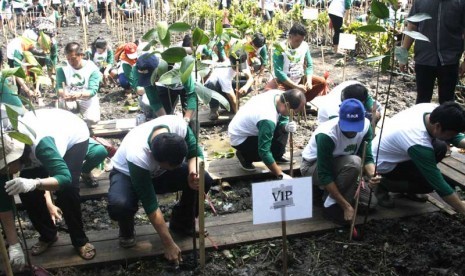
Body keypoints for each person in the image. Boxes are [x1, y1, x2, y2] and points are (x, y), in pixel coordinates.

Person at [107, 115, 214, 263]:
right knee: (120, 204)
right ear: (155, 159)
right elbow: (150, 203)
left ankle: (182, 223)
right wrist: (168, 243)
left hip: (159, 173)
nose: (177, 169)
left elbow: (195, 154)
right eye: (173, 166)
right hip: (127, 174)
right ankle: (126, 230)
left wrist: (192, 172)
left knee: (204, 179)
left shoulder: (178, 125)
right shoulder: (138, 153)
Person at [4, 108, 96, 260]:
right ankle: (48, 235)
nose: (4, 170)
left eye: (5, 166)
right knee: (26, 193)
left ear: (16, 157)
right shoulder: (8, 144)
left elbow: (63, 178)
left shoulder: (42, 147)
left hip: (73, 134)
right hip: (43, 133)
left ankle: (80, 240)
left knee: (68, 191)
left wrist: (35, 182)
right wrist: (35, 186)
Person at [373, 102, 465, 214]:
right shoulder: (418, 141)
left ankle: (409, 188)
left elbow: (456, 137)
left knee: (440, 147)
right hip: (382, 165)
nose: (451, 138)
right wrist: (462, 209)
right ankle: (382, 184)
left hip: (397, 152)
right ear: (437, 126)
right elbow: (439, 184)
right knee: (429, 184)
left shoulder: (433, 110)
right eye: (450, 135)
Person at [300, 99, 379, 225]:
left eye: (355, 126)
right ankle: (330, 206)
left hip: (345, 167)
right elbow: (324, 174)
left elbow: (367, 157)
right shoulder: (327, 134)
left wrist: (373, 174)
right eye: (348, 126)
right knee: (354, 162)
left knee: (370, 203)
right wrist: (345, 205)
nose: (351, 131)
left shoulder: (366, 126)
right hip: (313, 167)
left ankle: (326, 193)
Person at [396, 0, 465, 104]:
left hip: (450, 60)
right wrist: (403, 55)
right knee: (422, 100)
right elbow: (412, 27)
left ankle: (445, 120)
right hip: (424, 58)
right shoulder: (420, 2)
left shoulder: (460, 3)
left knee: (447, 101)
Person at [228, 89, 305, 177]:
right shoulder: (268, 118)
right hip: (241, 138)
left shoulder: (280, 95)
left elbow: (283, 119)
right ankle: (245, 156)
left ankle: (277, 156)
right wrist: (280, 174)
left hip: (255, 127)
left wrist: (286, 126)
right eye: (294, 112)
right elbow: (264, 151)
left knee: (282, 131)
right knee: (265, 152)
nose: (293, 115)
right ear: (287, 105)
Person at [265, 23, 327, 103]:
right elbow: (279, 73)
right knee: (269, 91)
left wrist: (308, 81)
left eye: (301, 41)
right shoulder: (279, 49)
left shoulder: (304, 46)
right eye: (297, 41)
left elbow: (309, 65)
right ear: (290, 37)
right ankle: (293, 102)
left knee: (322, 82)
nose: (299, 44)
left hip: (299, 78)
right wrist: (296, 87)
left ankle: (300, 102)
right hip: (284, 82)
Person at [133, 53, 196, 126]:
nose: (153, 81)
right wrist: (165, 122)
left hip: (184, 86)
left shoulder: (179, 66)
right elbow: (154, 101)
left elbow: (192, 94)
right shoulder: (142, 70)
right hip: (164, 87)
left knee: (191, 121)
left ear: (158, 70)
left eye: (154, 78)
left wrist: (187, 119)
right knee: (165, 118)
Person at [56, 42, 102, 125]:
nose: (71, 62)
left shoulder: (92, 68)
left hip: (86, 97)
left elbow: (93, 91)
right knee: (65, 115)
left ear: (81, 55)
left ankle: (79, 122)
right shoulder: (62, 67)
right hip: (69, 96)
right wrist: (63, 94)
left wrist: (79, 95)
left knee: (92, 119)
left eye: (73, 59)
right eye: (68, 59)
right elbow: (59, 87)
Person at [205, 49, 254, 120]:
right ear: (231, 63)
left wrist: (245, 87)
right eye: (235, 67)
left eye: (240, 67)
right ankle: (214, 109)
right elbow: (231, 96)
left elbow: (251, 79)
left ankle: (228, 105)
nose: (238, 69)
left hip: (226, 85)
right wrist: (238, 115)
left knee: (248, 85)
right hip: (214, 87)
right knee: (212, 85)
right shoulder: (225, 73)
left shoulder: (242, 60)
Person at [317, 81, 382, 124]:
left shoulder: (356, 88)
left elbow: (367, 97)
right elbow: (341, 125)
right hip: (331, 123)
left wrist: (373, 110)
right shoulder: (333, 108)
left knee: (377, 108)